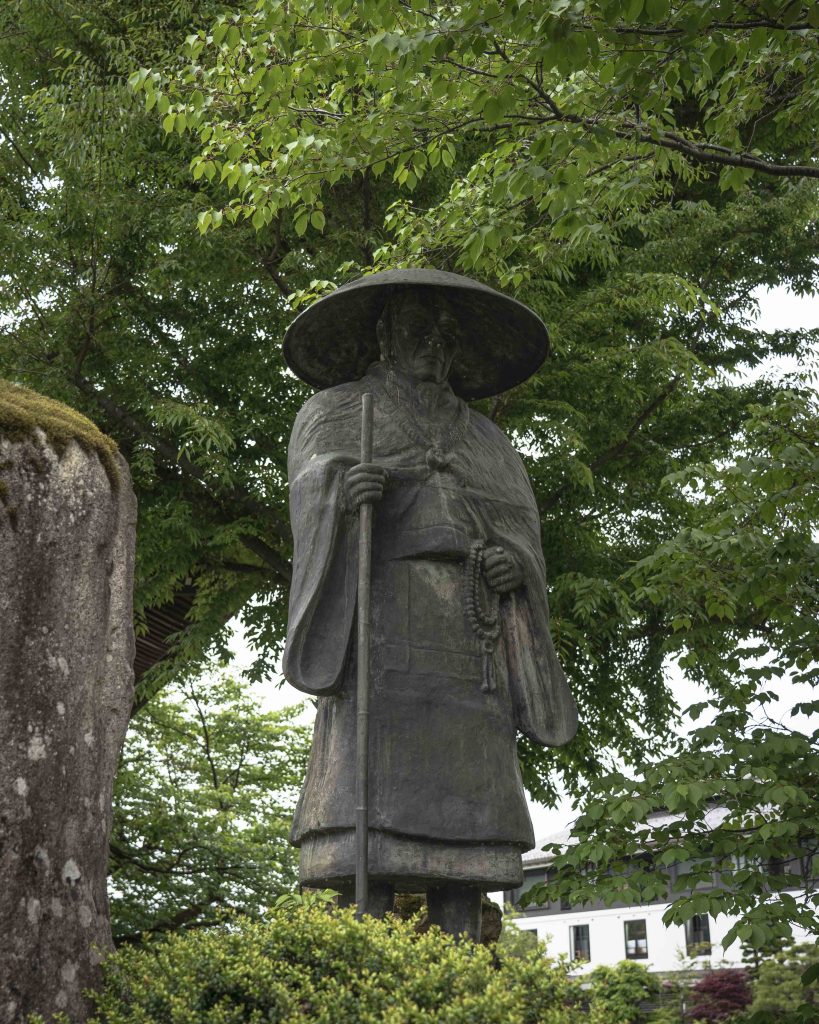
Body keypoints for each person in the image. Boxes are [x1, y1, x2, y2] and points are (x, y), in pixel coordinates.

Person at [282, 269, 577, 939]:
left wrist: (514, 567)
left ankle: (463, 972)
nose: (434, 346)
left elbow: (522, 535)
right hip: (377, 633)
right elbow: (310, 485)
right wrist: (341, 492)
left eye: (446, 336)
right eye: (419, 331)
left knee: (468, 837)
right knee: (367, 836)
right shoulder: (339, 410)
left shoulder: (485, 439)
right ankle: (360, 967)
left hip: (469, 641)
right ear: (384, 335)